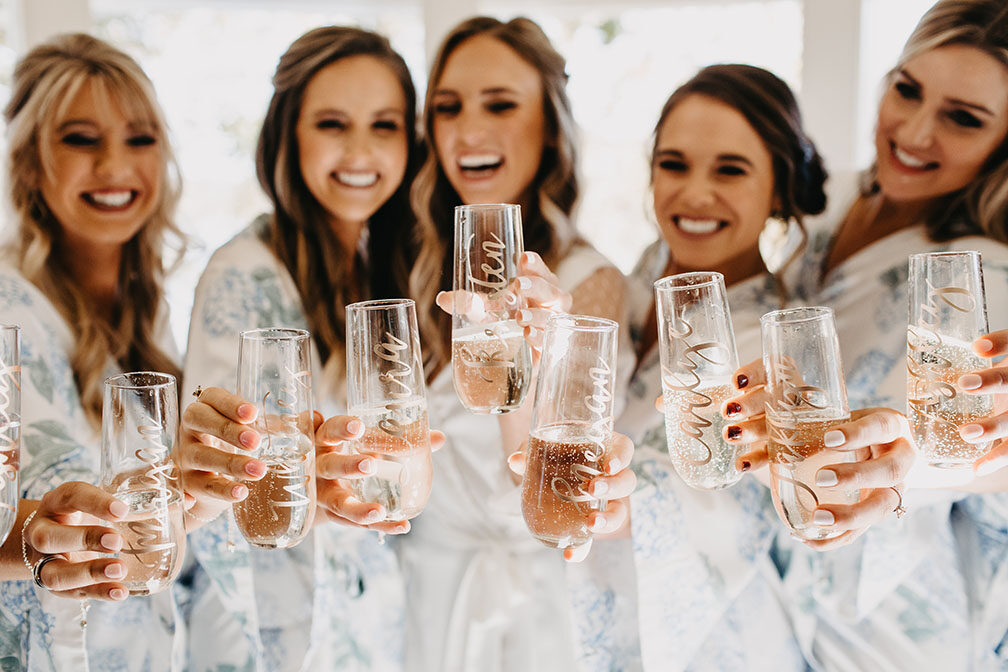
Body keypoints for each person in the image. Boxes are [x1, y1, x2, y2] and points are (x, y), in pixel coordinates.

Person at [726, 0, 1008, 668]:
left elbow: (980, 446)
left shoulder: (985, 272)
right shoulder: (828, 204)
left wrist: (919, 460)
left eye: (962, 119)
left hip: (891, 623)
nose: (913, 131)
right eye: (906, 89)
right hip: (772, 594)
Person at [176, 26, 439, 671]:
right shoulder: (245, 270)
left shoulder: (387, 268)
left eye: (384, 125)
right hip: (267, 621)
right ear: (287, 136)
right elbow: (209, 477)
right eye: (331, 124)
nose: (359, 152)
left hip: (366, 616)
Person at [401, 16, 636, 672]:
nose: (468, 132)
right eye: (447, 109)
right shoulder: (414, 264)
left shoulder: (591, 283)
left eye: (500, 104)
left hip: (535, 598)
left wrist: (531, 356)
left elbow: (554, 484)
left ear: (550, 126)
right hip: (421, 582)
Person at [0, 33, 191, 670]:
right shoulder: (8, 311)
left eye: (140, 138)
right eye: (81, 139)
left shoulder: (153, 319)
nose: (115, 167)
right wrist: (29, 537)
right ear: (30, 161)